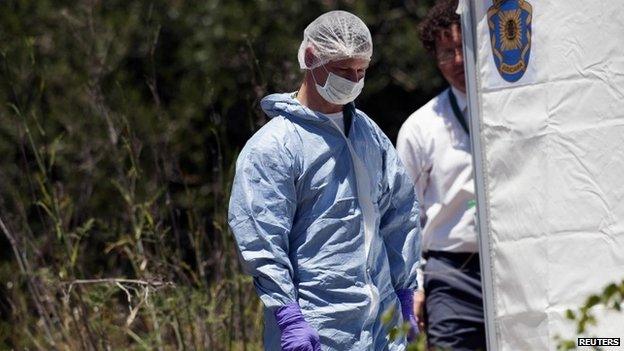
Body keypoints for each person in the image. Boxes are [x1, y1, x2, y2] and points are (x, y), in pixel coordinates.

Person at [228, 10, 422, 351]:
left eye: (361, 71)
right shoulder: (275, 147)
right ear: (309, 57)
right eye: (343, 71)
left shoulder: (368, 134)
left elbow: (400, 215)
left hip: (382, 327)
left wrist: (406, 294)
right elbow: (262, 240)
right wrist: (289, 318)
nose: (353, 80)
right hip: (317, 329)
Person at [396, 0, 486, 350]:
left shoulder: (519, 111)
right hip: (451, 275)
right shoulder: (421, 128)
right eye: (446, 53)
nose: (458, 62)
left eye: (463, 47)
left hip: (518, 261)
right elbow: (405, 216)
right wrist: (414, 286)